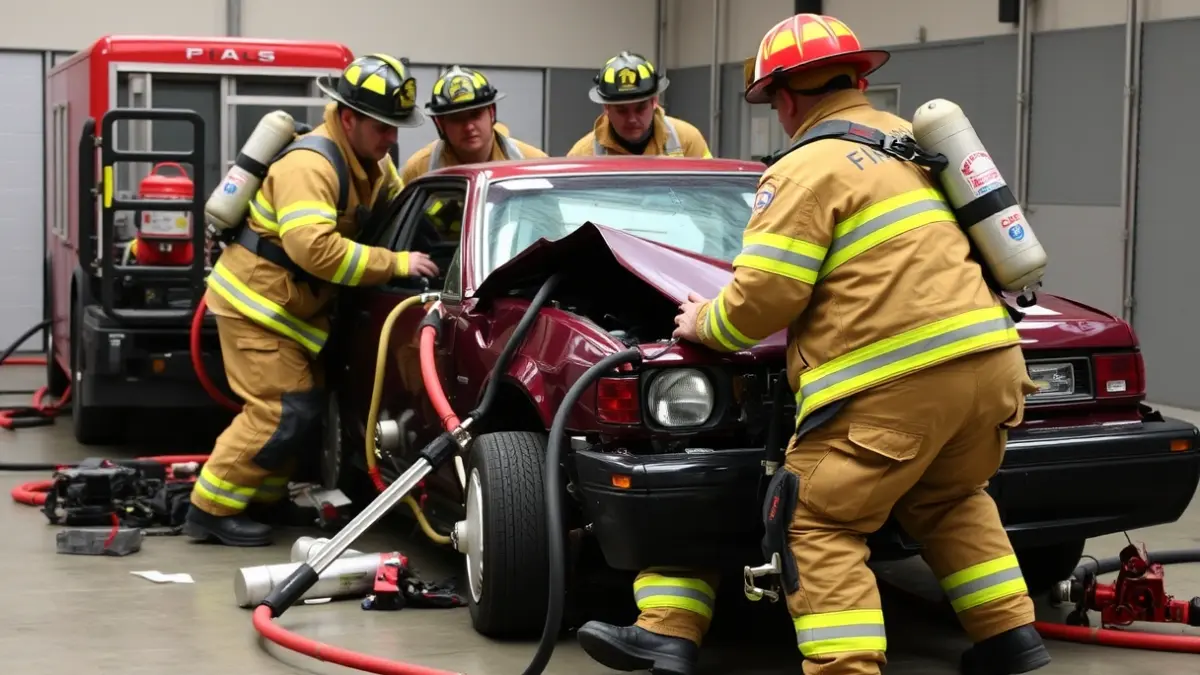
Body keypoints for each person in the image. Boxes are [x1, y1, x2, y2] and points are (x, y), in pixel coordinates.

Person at [577, 12, 1052, 675]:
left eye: (773, 101)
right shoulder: (915, 143)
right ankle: (1011, 640)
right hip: (994, 369)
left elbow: (764, 297)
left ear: (788, 96)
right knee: (949, 499)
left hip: (896, 386)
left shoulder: (803, 168)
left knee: (818, 522)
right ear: (857, 77)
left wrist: (701, 324)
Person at [185, 53, 440, 547]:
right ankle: (210, 509)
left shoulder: (370, 162)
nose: (392, 139)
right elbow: (314, 248)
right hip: (256, 307)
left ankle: (265, 499)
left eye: (395, 128)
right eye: (383, 127)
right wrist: (397, 264)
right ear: (349, 118)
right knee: (280, 410)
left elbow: (396, 208)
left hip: (291, 313)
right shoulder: (310, 164)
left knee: (302, 410)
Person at [400, 65, 547, 236]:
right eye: (456, 118)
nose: (469, 127)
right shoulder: (419, 170)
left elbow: (551, 227)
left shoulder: (533, 162)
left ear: (491, 113)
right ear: (440, 124)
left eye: (475, 114)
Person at [567, 51, 712, 158]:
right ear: (606, 108)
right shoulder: (582, 154)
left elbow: (711, 192)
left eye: (640, 108)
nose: (632, 119)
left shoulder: (687, 140)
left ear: (654, 101)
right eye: (622, 110)